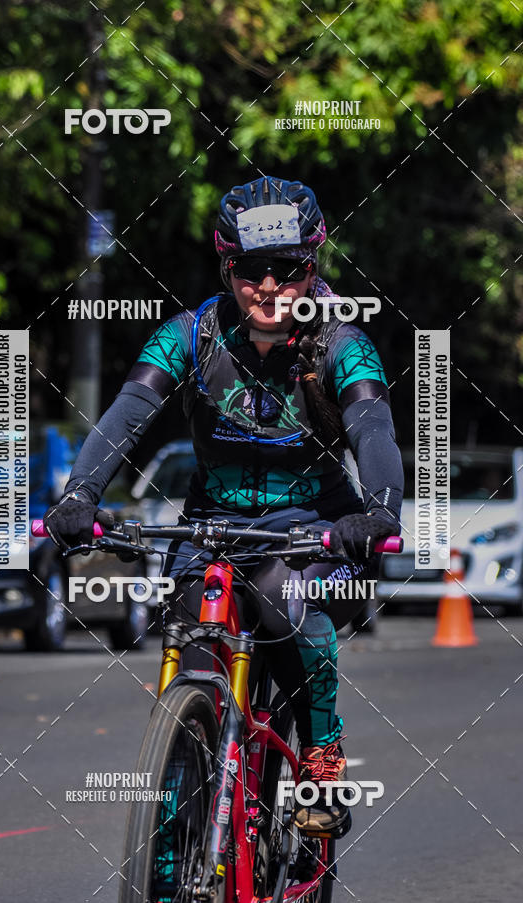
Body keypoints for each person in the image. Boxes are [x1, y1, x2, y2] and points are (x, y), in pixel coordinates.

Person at [43, 175, 403, 836]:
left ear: (313, 264)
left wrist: (378, 513)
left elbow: (373, 430)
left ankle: (320, 761)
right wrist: (78, 495)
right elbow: (128, 413)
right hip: (212, 529)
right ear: (226, 266)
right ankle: (180, 799)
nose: (269, 288)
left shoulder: (341, 344)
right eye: (251, 270)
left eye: (288, 269)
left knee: (282, 598)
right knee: (187, 625)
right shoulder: (190, 335)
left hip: (318, 533)